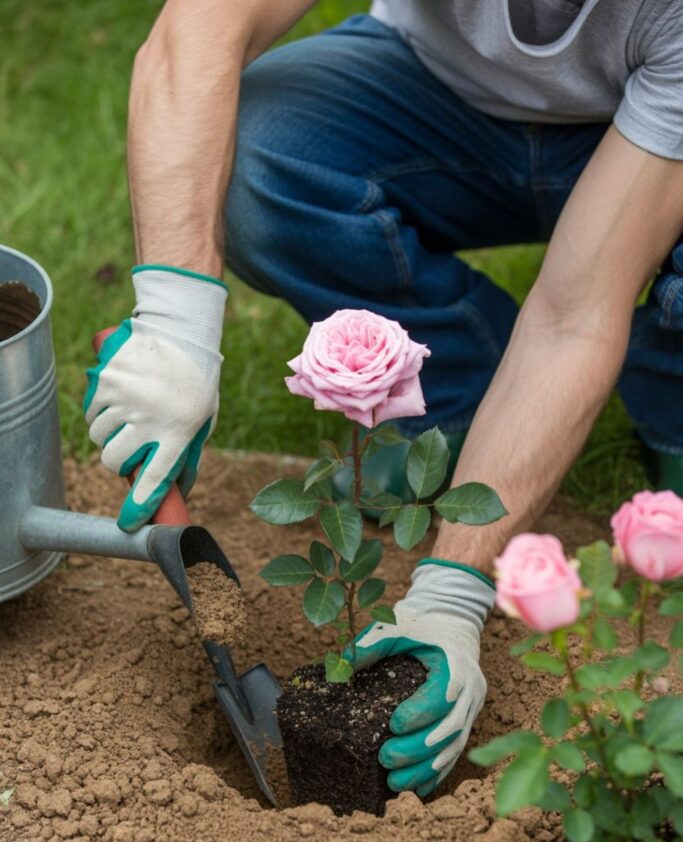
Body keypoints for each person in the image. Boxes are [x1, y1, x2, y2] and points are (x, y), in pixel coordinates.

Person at [84, 0, 683, 796]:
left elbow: (574, 314)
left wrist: (448, 593)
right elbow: (197, 27)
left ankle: (665, 391)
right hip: (437, 96)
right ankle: (472, 407)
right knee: (261, 154)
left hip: (650, 136)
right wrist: (175, 322)